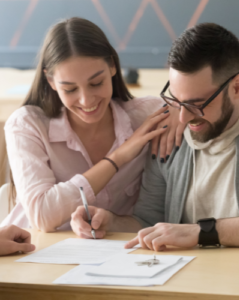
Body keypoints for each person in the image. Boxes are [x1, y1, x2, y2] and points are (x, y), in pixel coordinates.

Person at [71, 22, 239, 249]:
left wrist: (201, 232)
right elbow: (150, 221)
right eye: (175, 101)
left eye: (196, 104)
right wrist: (112, 222)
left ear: (237, 87)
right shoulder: (171, 136)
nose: (182, 119)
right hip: (184, 281)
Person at [1, 17, 183, 232]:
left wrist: (179, 108)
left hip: (118, 254)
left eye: (96, 83)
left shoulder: (149, 117)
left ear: (113, 67)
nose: (86, 100)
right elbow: (42, 216)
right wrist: (118, 158)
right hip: (34, 252)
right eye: (70, 89)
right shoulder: (27, 125)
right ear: (50, 81)